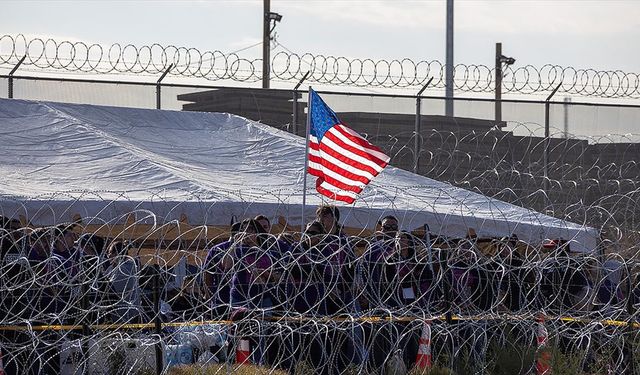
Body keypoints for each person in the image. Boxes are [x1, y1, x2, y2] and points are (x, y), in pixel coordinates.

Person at [106, 240, 142, 323]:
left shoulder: (125, 269)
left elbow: (111, 288)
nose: (108, 256)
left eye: (110, 252)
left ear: (118, 254)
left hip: (126, 313)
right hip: (121, 311)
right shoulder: (113, 268)